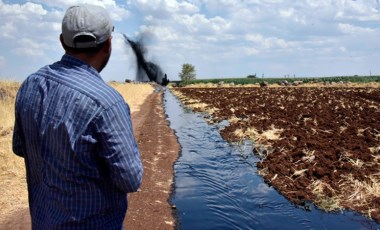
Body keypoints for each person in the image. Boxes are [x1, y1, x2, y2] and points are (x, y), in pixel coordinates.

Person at [12, 4, 143, 229]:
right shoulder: (108, 102)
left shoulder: (30, 84)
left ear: (62, 41)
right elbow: (130, 179)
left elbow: (19, 147)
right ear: (108, 44)